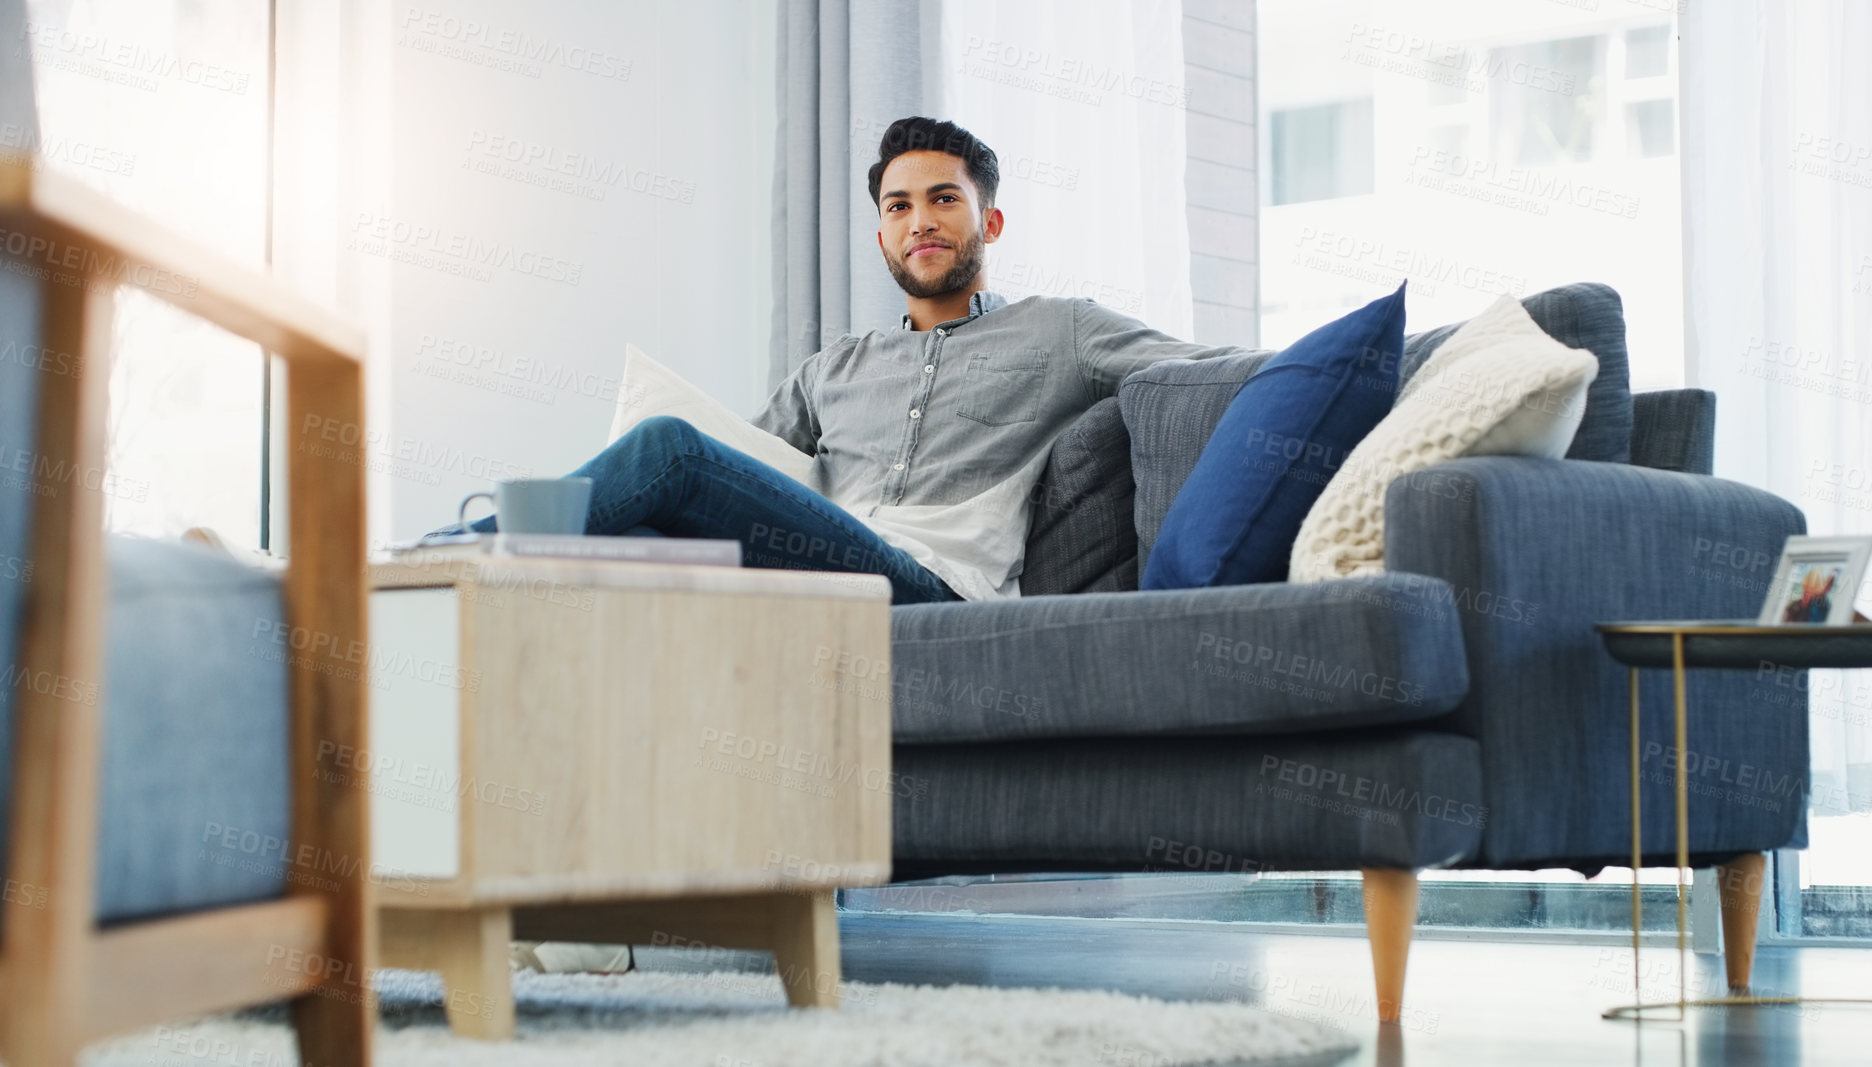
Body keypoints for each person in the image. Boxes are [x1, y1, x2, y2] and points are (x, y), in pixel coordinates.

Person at [467, 116, 1256, 604]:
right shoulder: (833, 369)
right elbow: (737, 471)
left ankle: (454, 557)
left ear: (992, 220)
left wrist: (1365, 379)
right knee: (645, 529)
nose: (922, 221)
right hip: (819, 577)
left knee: (667, 447)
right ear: (881, 234)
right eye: (899, 206)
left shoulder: (1065, 329)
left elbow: (1209, 369)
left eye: (945, 198)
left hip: (931, 585)